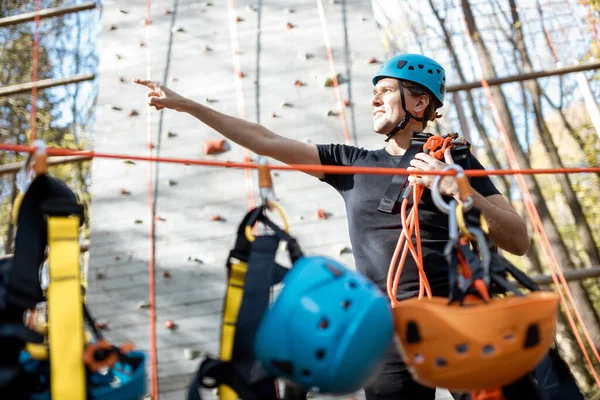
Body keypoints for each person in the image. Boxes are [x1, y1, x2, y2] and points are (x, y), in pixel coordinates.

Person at [134, 53, 529, 400]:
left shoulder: (453, 160)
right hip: (385, 330)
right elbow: (265, 140)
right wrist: (187, 106)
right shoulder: (350, 163)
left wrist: (459, 190)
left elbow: (518, 239)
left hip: (455, 315)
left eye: (386, 91)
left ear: (420, 101)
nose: (373, 99)